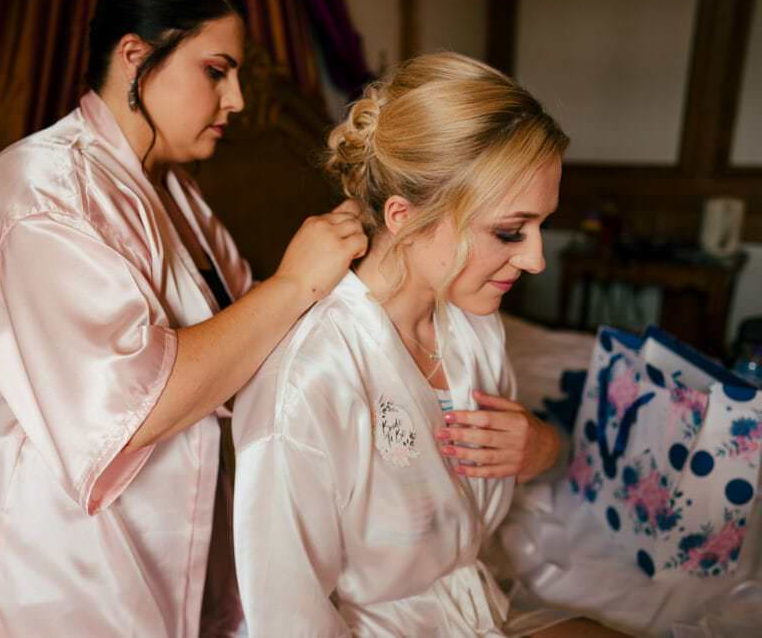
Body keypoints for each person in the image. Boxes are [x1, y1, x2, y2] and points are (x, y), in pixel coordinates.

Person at [0, 0, 367, 635]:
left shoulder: (172, 191)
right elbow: (132, 406)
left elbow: (256, 344)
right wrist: (295, 282)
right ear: (135, 57)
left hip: (163, 553)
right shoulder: (40, 193)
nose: (237, 100)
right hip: (44, 570)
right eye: (216, 71)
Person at [231, 52, 624, 637]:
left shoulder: (473, 326)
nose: (537, 260)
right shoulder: (310, 381)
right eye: (510, 232)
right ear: (404, 217)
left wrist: (542, 449)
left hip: (477, 608)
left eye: (541, 226)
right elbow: (288, 618)